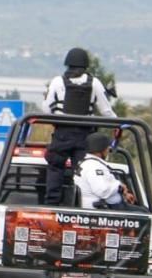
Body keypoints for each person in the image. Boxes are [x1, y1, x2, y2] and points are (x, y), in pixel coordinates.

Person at [42, 47, 116, 204]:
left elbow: (46, 109)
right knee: (83, 170)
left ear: (67, 63)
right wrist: (119, 124)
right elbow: (106, 111)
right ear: (86, 65)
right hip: (85, 136)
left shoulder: (57, 82)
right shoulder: (94, 83)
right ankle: (80, 204)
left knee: (55, 167)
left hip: (62, 133)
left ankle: (52, 204)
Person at [75, 133, 142, 210]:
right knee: (143, 213)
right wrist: (120, 187)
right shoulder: (94, 167)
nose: (108, 150)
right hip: (102, 212)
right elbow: (102, 190)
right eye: (107, 148)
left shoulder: (88, 163)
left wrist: (123, 192)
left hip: (106, 208)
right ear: (101, 150)